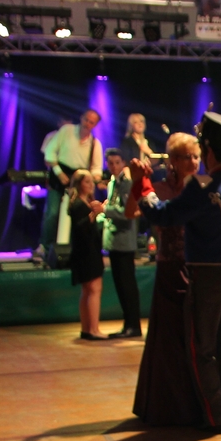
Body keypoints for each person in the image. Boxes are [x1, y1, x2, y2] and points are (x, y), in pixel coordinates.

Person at [134, 112, 221, 432]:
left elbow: (161, 215)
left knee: (202, 348)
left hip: (210, 274)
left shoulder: (202, 188)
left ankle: (217, 416)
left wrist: (142, 184)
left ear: (207, 151)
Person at [130, 132, 203, 427]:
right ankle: (170, 405)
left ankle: (202, 401)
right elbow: (132, 211)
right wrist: (138, 184)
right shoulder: (160, 188)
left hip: (198, 269)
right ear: (172, 160)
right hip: (170, 268)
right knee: (170, 339)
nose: (194, 162)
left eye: (197, 156)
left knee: (200, 336)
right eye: (187, 157)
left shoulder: (203, 187)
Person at [43, 111, 103, 268]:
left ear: (95, 125)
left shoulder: (94, 143)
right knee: (52, 213)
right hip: (59, 177)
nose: (87, 124)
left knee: (78, 217)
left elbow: (96, 168)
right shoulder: (67, 131)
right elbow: (50, 152)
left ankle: (74, 249)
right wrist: (59, 172)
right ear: (81, 118)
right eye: (86, 120)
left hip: (78, 182)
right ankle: (46, 248)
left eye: (91, 122)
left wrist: (93, 177)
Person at [66, 169, 110, 341]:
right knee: (94, 289)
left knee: (88, 290)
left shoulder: (83, 202)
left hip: (87, 250)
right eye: (87, 182)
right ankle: (93, 329)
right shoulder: (78, 204)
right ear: (78, 184)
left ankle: (87, 328)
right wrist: (94, 213)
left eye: (92, 181)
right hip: (86, 252)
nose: (91, 185)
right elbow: (80, 228)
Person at [103, 149, 142, 339]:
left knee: (127, 285)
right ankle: (128, 324)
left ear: (123, 163)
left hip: (125, 241)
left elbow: (127, 213)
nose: (114, 166)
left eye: (117, 162)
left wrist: (105, 210)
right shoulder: (112, 183)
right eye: (110, 163)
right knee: (120, 285)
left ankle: (133, 325)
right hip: (114, 241)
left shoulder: (126, 183)